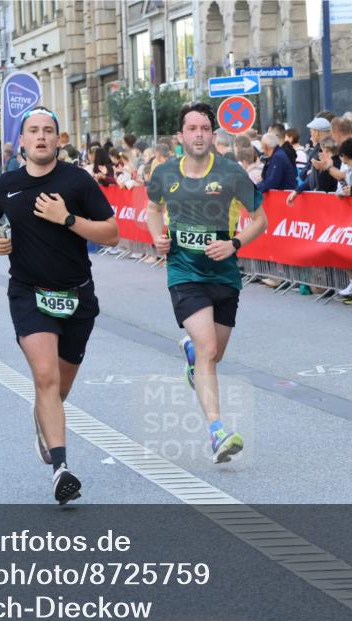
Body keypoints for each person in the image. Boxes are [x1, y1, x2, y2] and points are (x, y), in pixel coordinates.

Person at [0, 106, 119, 505]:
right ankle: (62, 469)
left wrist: (67, 219)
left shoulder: (77, 182)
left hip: (77, 295)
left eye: (48, 131)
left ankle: (44, 420)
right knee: (45, 378)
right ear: (21, 141)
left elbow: (112, 234)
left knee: (59, 387)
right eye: (33, 131)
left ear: (59, 140)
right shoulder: (8, 184)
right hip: (28, 294)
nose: (40, 137)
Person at [145, 102, 269, 464]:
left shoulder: (231, 172)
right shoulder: (165, 173)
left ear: (212, 135)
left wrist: (234, 243)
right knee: (207, 347)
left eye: (204, 128)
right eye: (192, 128)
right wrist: (158, 237)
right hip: (184, 271)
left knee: (213, 353)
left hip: (224, 272)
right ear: (180, 135)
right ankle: (217, 431)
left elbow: (260, 219)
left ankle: (192, 358)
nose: (198, 134)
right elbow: (152, 208)